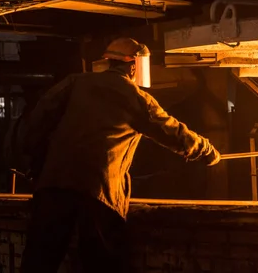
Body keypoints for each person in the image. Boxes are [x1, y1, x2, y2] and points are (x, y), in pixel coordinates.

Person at [19, 37, 221, 273]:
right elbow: (172, 131)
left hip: (54, 185)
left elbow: (38, 119)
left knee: (38, 263)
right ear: (134, 65)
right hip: (99, 190)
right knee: (102, 264)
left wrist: (35, 159)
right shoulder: (136, 98)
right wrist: (206, 150)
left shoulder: (75, 82)